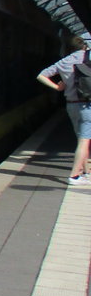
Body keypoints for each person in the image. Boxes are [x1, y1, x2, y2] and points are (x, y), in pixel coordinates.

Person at [36, 34, 91, 185]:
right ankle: (74, 176)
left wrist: (57, 87)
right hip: (87, 105)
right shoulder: (88, 58)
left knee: (81, 139)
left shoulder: (64, 61)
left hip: (71, 104)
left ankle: (86, 172)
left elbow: (41, 75)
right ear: (84, 46)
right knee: (85, 140)